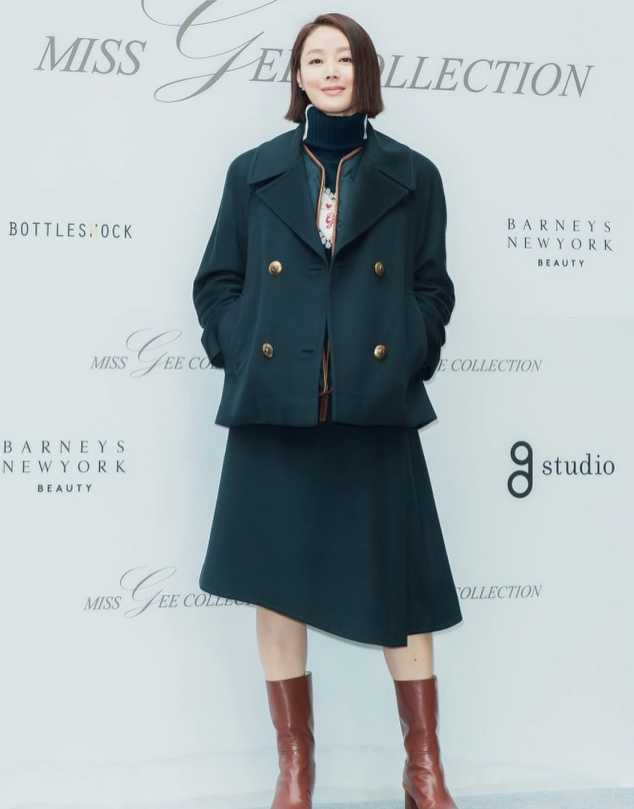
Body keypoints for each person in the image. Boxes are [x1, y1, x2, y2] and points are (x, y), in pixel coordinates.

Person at [192, 12, 462, 809]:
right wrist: (244, 347)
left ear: (363, 71)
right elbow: (217, 282)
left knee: (399, 586)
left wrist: (408, 346)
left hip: (372, 408)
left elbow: (432, 287)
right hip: (277, 408)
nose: (331, 70)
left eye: (344, 57)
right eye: (316, 58)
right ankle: (295, 769)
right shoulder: (253, 173)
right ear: (298, 76)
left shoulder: (414, 175)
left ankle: (423, 768)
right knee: (276, 582)